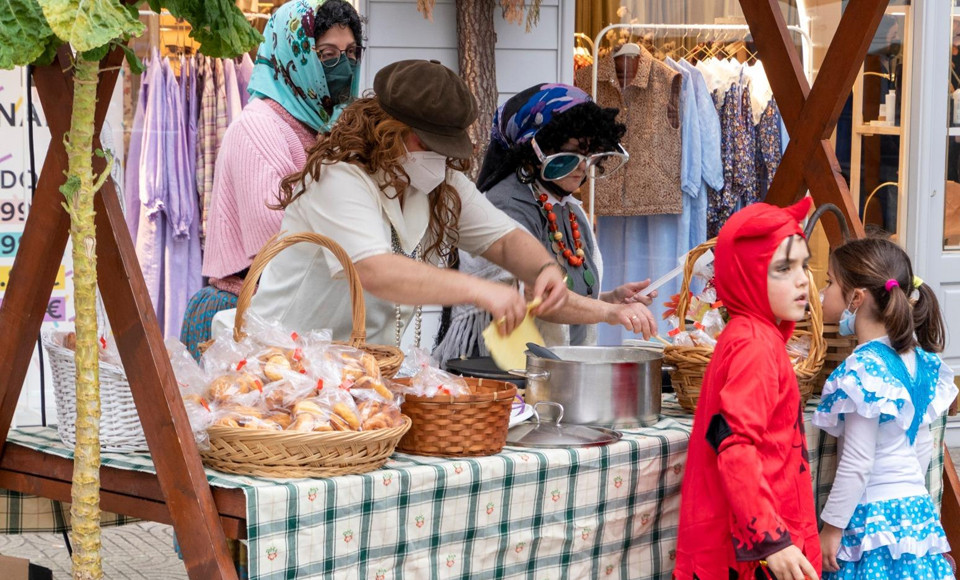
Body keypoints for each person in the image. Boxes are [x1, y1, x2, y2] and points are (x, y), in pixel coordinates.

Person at [213, 60, 569, 346]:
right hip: (281, 364)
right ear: (389, 130)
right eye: (426, 144)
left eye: (445, 149)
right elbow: (374, 270)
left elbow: (504, 240)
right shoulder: (337, 178)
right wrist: (479, 290)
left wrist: (544, 268)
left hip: (359, 374)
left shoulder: (440, 183)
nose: (437, 158)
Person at [180, 0, 363, 359]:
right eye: (327, 55)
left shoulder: (322, 127)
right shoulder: (259, 128)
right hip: (243, 316)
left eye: (351, 53)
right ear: (295, 57)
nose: (343, 66)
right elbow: (281, 240)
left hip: (294, 315)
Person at [434, 84, 657, 363]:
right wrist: (610, 314)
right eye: (569, 156)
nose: (581, 167)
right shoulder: (507, 203)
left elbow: (566, 293)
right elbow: (538, 299)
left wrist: (612, 299)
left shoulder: (563, 202)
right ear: (532, 152)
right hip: (500, 376)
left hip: (551, 371)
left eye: (588, 155)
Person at [675, 198, 821, 580]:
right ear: (747, 274)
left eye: (803, 265)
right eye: (783, 268)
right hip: (753, 552)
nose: (803, 278)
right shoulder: (754, 345)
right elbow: (734, 442)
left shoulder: (752, 336)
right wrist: (772, 540)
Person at [814, 237, 956, 579]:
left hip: (873, 517)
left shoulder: (862, 369)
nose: (823, 291)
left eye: (830, 282)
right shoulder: (918, 361)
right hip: (915, 514)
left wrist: (831, 528)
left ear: (856, 299)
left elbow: (859, 461)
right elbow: (921, 445)